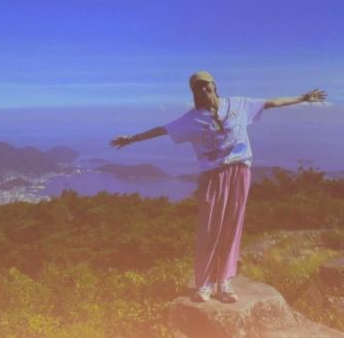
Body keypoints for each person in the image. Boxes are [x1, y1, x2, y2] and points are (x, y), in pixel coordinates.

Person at [111, 71, 326, 303]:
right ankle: (204, 284)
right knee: (209, 229)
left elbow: (271, 103)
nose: (203, 89)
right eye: (197, 88)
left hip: (240, 171)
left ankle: (224, 281)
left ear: (214, 85)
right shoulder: (191, 119)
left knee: (232, 228)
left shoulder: (238, 104)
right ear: (194, 93)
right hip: (212, 175)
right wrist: (132, 139)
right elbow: (163, 130)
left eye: (206, 85)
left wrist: (303, 98)